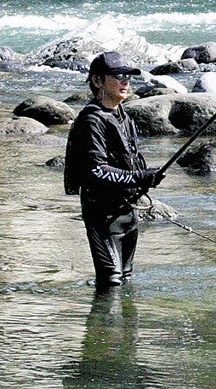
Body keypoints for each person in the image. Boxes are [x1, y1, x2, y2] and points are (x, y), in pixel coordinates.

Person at [65, 52, 164, 290]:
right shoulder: (91, 121)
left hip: (128, 211)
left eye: (128, 76)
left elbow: (131, 160)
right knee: (111, 283)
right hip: (103, 215)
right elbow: (96, 171)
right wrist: (140, 177)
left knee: (126, 279)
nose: (125, 82)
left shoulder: (123, 116)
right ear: (97, 81)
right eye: (118, 76)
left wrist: (146, 177)